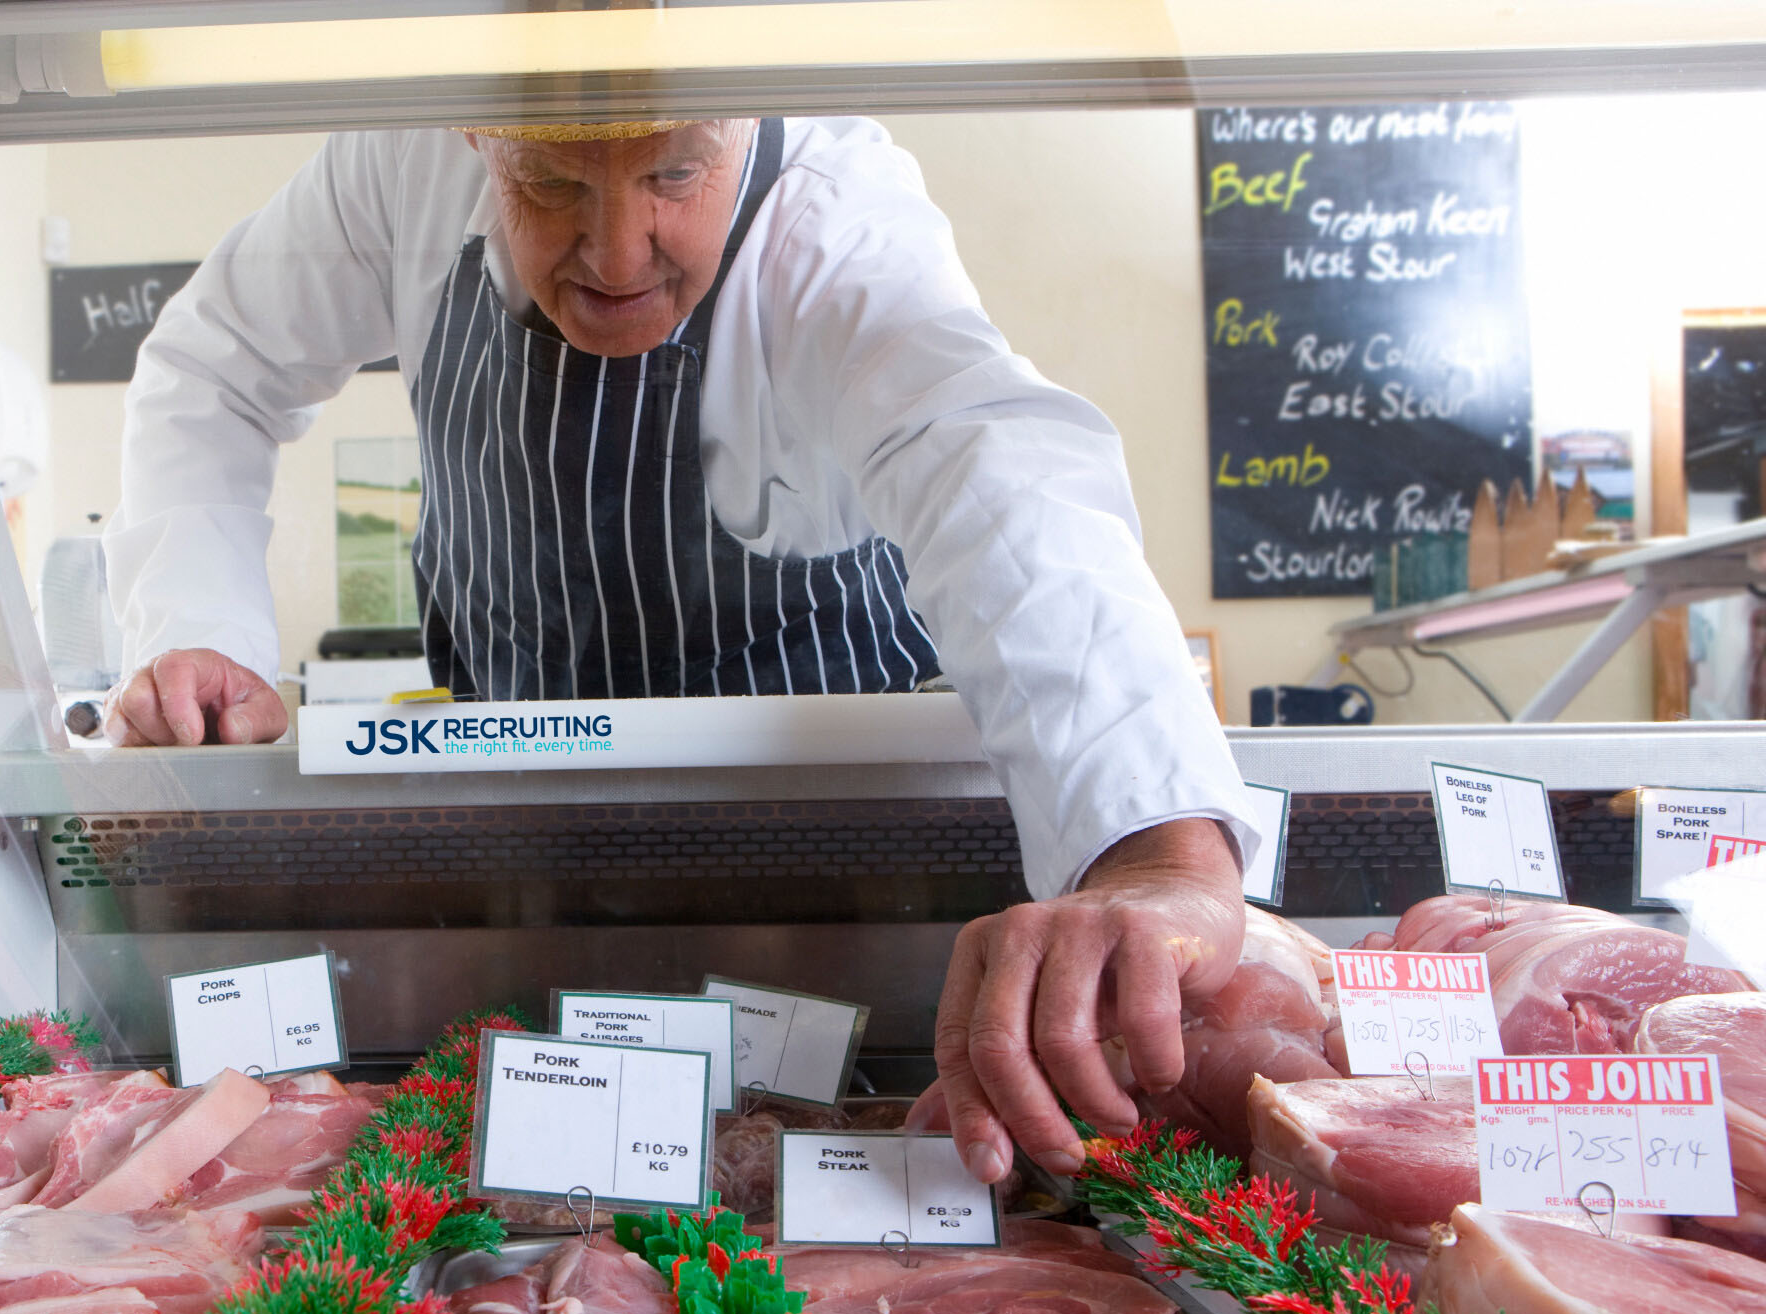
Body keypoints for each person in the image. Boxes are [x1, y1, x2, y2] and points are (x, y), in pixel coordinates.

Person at [103, 115, 1258, 1185]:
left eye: (671, 174)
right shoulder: (395, 165)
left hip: (833, 894)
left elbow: (996, 475)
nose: (615, 250)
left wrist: (1154, 851)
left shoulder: (832, 213)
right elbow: (214, 365)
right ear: (473, 135)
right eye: (549, 180)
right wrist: (196, 625)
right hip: (519, 846)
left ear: (742, 117)